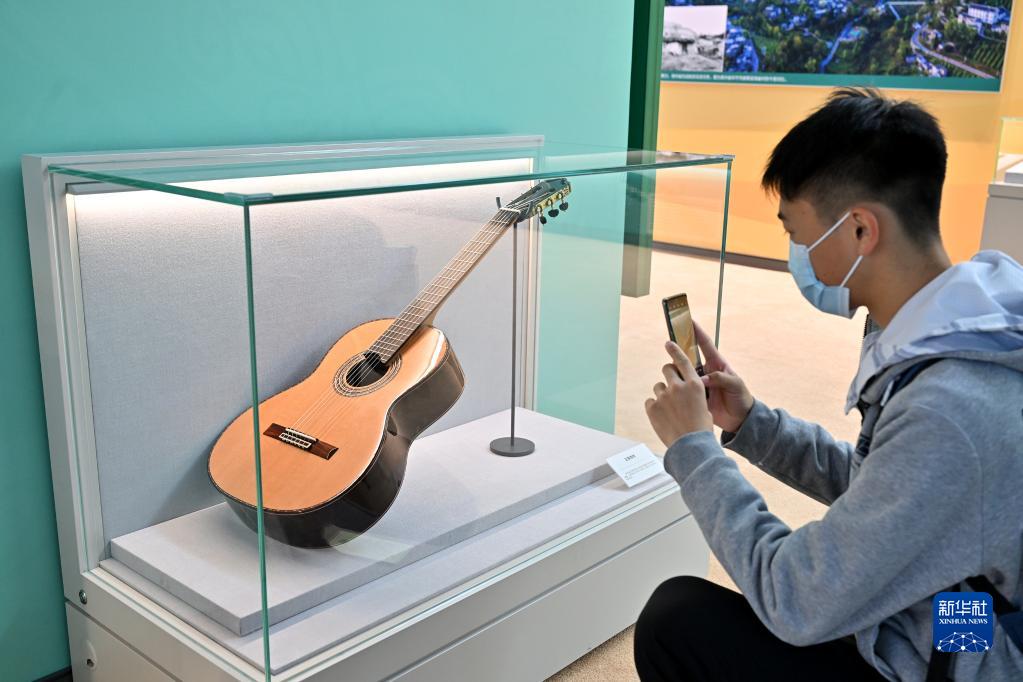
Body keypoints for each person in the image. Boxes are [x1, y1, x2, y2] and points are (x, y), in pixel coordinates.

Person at [634, 87, 1023, 681]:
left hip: (969, 645)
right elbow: (892, 491)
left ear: (861, 229)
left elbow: (795, 599)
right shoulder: (965, 329)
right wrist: (752, 423)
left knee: (677, 620)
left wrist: (693, 450)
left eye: (797, 234)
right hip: (962, 604)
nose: (798, 254)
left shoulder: (949, 408)